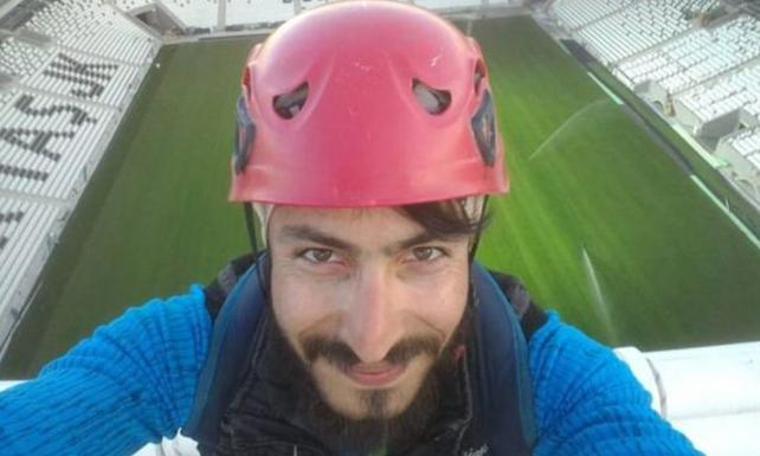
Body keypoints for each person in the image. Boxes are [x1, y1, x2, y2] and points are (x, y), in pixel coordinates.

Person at [0, 1, 700, 455]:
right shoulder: (182, 353)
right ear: (266, 233)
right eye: (319, 255)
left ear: (472, 244)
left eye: (425, 253)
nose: (373, 339)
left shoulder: (554, 381)